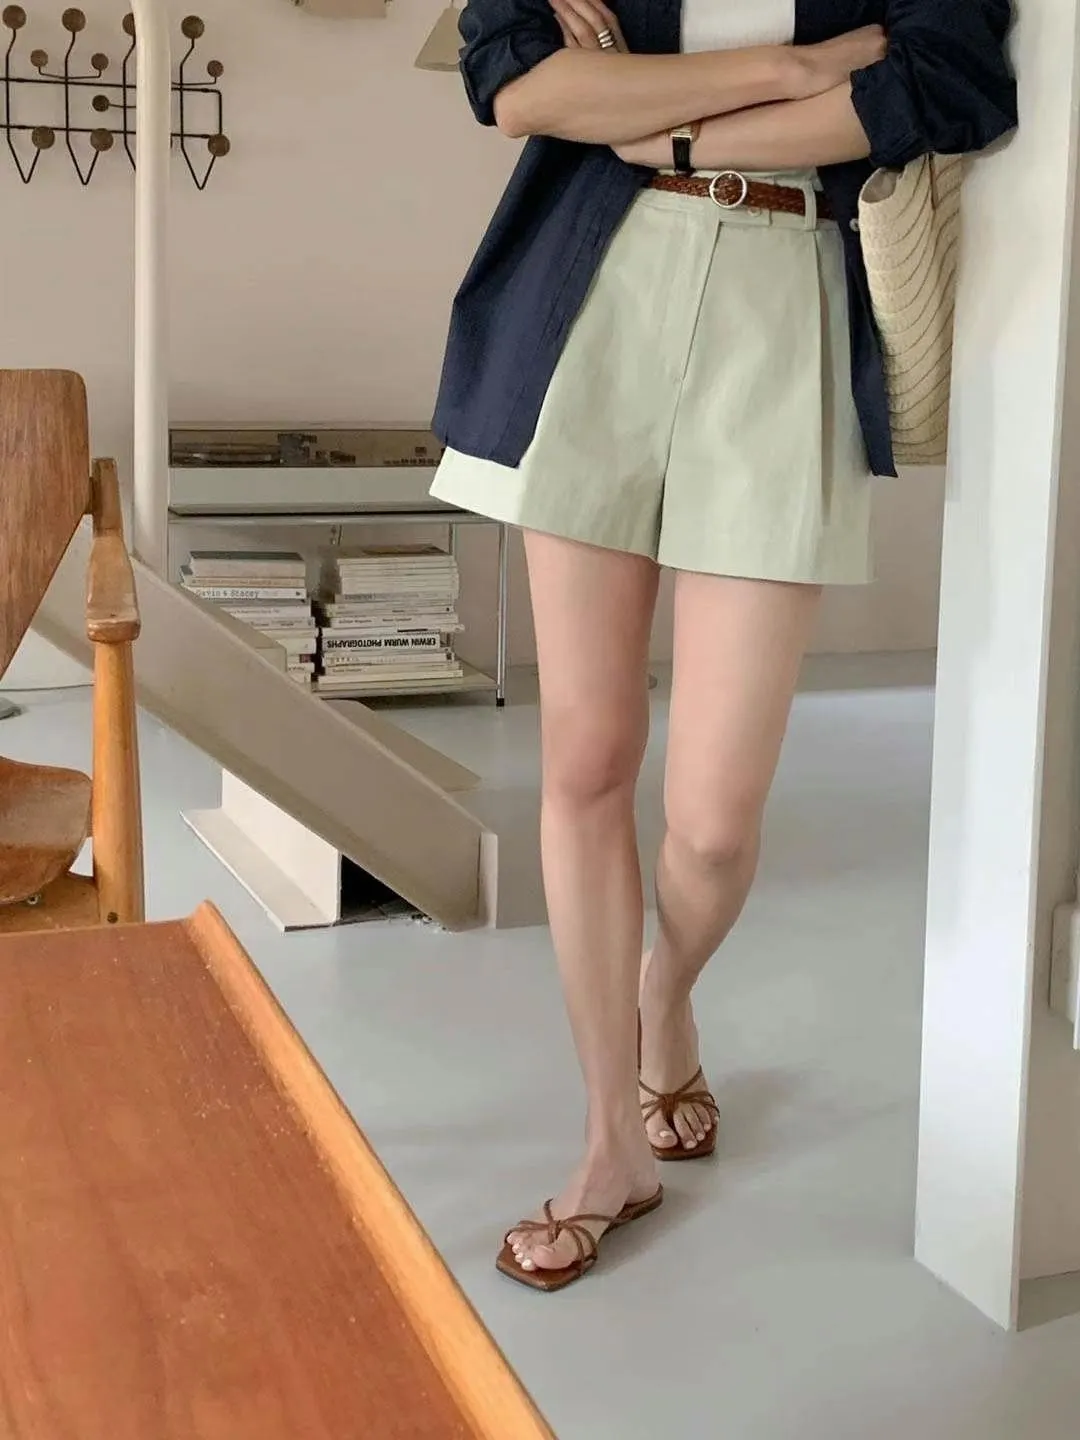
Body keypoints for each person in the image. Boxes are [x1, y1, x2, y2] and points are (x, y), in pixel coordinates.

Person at [430, 0, 1018, 1292]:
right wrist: (792, 70)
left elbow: (950, 77)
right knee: (587, 758)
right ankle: (608, 1143)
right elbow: (516, 81)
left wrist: (669, 126)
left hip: (786, 296)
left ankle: (666, 989)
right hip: (594, 292)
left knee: (710, 823)